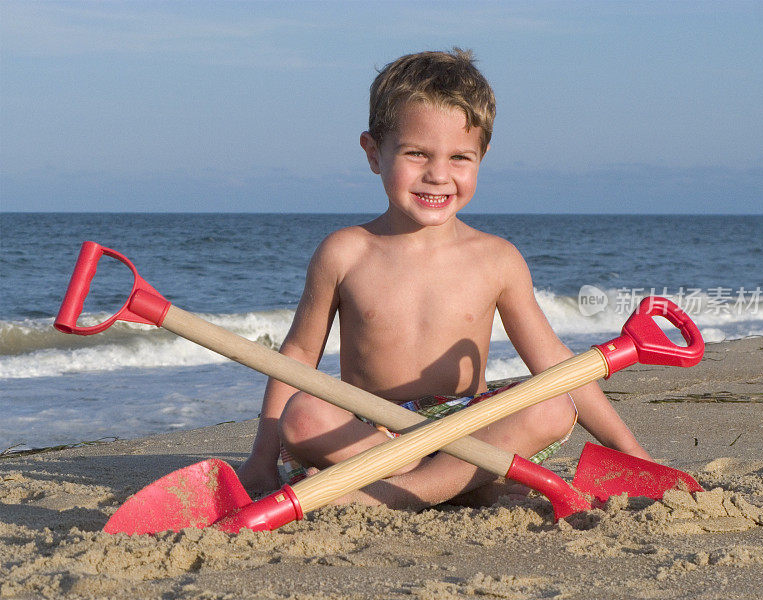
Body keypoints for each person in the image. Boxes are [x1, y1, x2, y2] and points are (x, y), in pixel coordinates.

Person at [237, 48, 650, 509]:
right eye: (416, 153)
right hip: (374, 433)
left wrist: (628, 450)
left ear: (483, 156)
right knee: (304, 416)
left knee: (552, 405)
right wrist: (261, 456)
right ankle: (452, 484)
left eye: (459, 157)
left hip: (465, 426)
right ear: (374, 152)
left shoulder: (496, 258)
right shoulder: (345, 252)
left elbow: (555, 365)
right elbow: (295, 357)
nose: (438, 175)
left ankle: (394, 496)